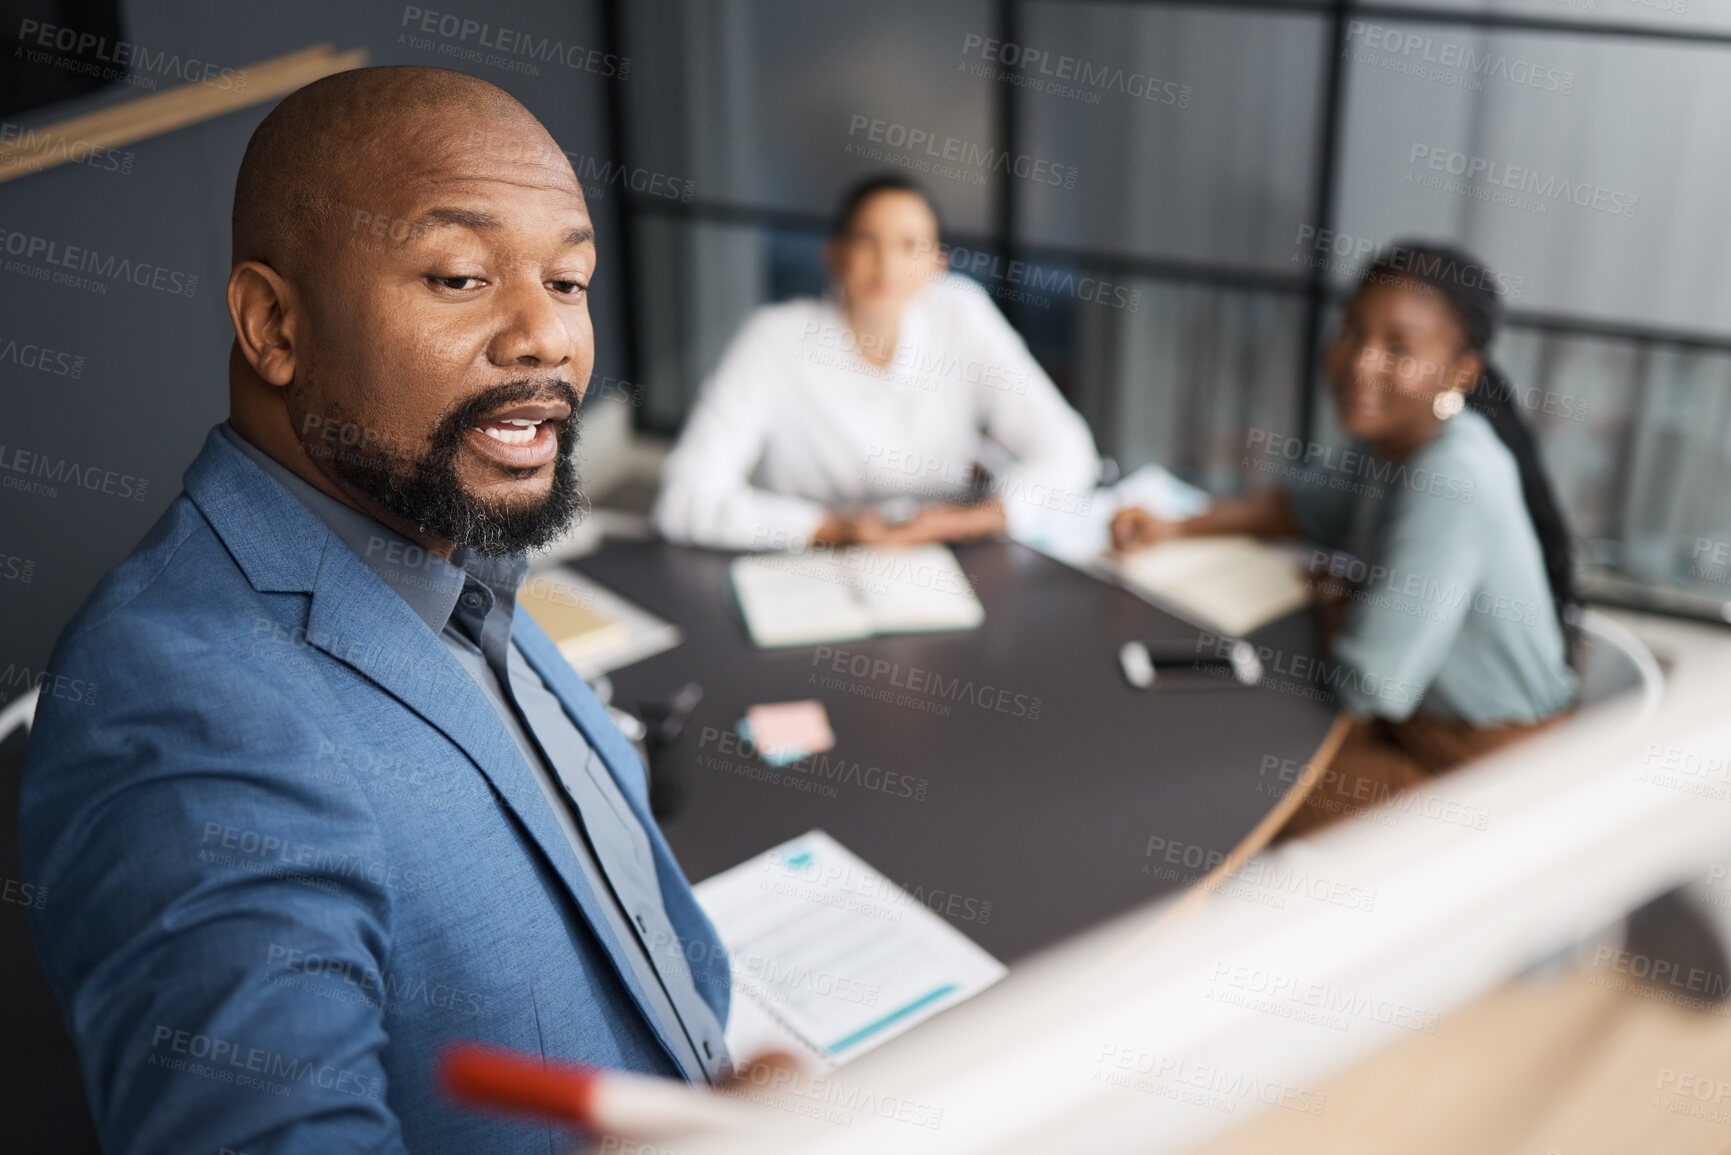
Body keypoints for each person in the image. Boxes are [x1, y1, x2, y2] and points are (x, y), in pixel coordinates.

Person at [19, 67, 733, 1155]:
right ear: (272, 324)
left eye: (571, 281)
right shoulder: (177, 711)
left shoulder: (452, 556)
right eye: (458, 276)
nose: (547, 337)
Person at [1112, 242, 1579, 837]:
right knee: (1224, 755)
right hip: (1417, 724)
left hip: (1480, 769)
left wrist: (1337, 600)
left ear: (1461, 374)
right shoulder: (1395, 438)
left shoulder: (1453, 475)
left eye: (1398, 349)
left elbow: (1370, 686)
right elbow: (1301, 508)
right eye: (1352, 333)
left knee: (1227, 795)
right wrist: (1175, 525)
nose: (1360, 363)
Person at [652, 174, 1100, 551]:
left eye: (910, 246)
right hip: (808, 557)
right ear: (835, 254)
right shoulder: (774, 338)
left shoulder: (961, 315)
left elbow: (1070, 450)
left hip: (943, 550)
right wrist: (826, 529)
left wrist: (977, 519)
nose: (886, 264)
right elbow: (684, 498)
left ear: (936, 264)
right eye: (868, 242)